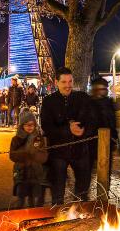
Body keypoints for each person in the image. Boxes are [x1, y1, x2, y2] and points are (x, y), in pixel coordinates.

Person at [40, 67, 95, 206]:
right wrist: (67, 129)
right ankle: (58, 218)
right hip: (58, 152)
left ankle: (81, 217)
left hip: (80, 150)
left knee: (82, 191)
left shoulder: (82, 98)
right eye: (64, 82)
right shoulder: (48, 101)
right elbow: (46, 127)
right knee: (58, 192)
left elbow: (92, 120)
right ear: (56, 82)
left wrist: (84, 131)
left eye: (70, 81)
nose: (68, 85)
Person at [9, 109, 48, 207]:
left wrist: (35, 155)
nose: (30, 127)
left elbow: (44, 156)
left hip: (35, 173)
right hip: (21, 173)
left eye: (32, 124)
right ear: (22, 126)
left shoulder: (39, 139)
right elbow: (12, 155)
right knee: (20, 198)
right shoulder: (16, 139)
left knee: (33, 199)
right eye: (27, 124)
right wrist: (27, 154)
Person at [89, 77, 118, 180]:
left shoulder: (108, 103)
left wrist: (116, 140)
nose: (105, 91)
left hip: (107, 142)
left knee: (106, 172)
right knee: (87, 173)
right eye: (103, 88)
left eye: (106, 88)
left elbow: (113, 122)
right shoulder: (89, 103)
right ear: (96, 89)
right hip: (91, 143)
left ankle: (104, 193)